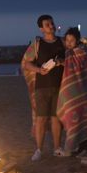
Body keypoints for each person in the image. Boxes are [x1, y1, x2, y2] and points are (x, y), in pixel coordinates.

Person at [22, 14, 65, 161]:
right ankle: (39, 150)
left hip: (60, 86)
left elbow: (71, 62)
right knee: (41, 119)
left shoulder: (62, 42)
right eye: (47, 24)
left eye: (52, 23)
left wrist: (61, 62)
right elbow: (26, 63)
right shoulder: (37, 44)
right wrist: (39, 70)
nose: (51, 26)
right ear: (41, 28)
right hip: (41, 87)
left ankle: (57, 148)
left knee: (56, 118)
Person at [56, 27, 87, 156]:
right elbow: (67, 63)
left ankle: (81, 148)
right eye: (67, 40)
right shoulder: (70, 53)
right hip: (72, 92)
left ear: (77, 40)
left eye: (72, 40)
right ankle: (77, 148)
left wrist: (62, 61)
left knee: (84, 119)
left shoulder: (81, 52)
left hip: (83, 91)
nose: (69, 43)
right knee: (72, 118)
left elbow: (78, 64)